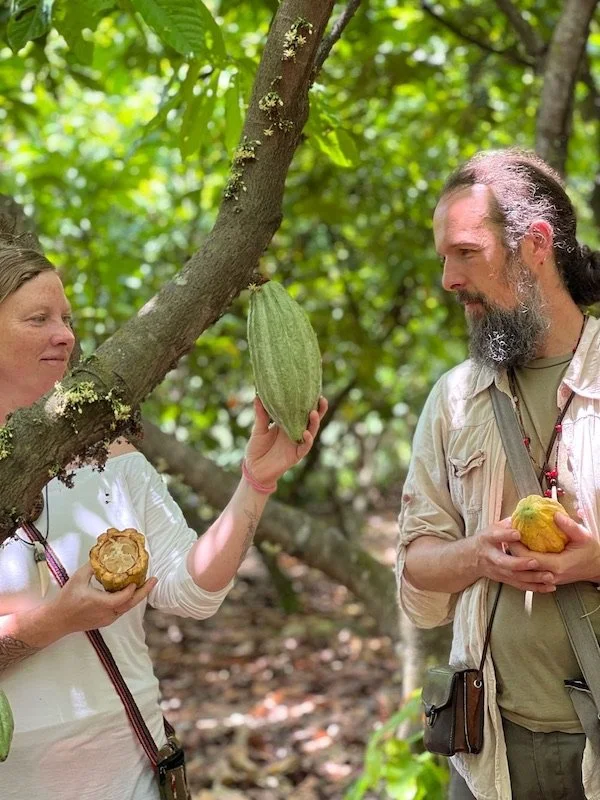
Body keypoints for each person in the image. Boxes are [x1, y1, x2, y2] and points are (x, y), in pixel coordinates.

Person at [0, 241, 327, 799]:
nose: (65, 336)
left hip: (135, 772)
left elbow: (191, 591)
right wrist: (54, 621)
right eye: (39, 319)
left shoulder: (107, 454)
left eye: (67, 319)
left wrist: (256, 482)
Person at [396, 148, 600, 800]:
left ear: (535, 245)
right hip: (488, 758)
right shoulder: (456, 399)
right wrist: (477, 556)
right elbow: (417, 567)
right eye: (443, 259)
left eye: (466, 253)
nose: (448, 280)